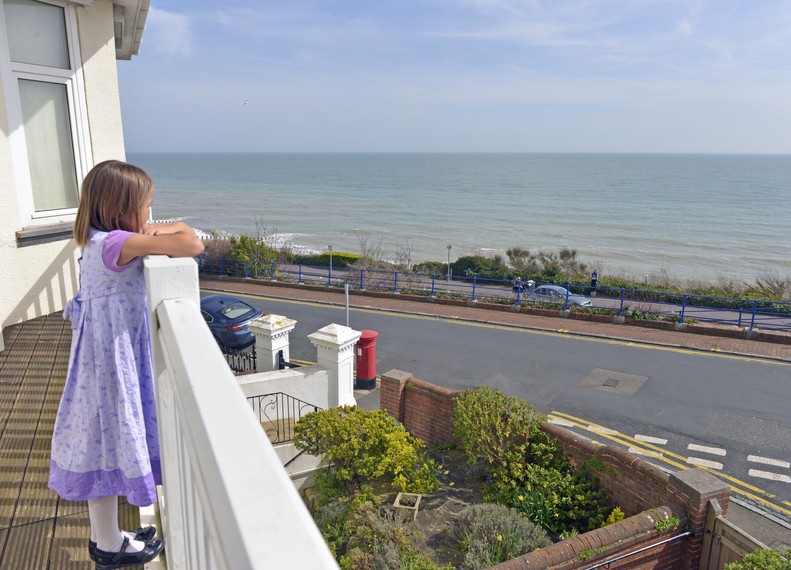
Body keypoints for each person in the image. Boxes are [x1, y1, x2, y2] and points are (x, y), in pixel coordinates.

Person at [48, 160, 205, 569]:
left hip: (100, 361)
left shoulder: (99, 238)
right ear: (121, 210)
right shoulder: (116, 243)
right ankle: (107, 546)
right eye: (148, 207)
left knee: (102, 446)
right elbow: (192, 244)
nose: (151, 216)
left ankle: (110, 535)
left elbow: (184, 231)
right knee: (105, 448)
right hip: (109, 365)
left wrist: (156, 228)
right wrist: (162, 232)